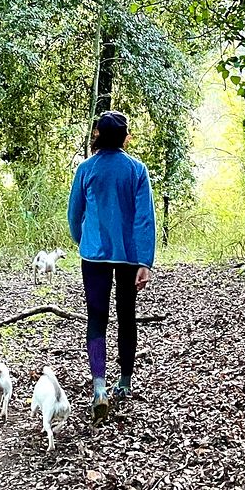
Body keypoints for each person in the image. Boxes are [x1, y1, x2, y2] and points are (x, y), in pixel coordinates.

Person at [66, 108, 156, 425]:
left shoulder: (87, 169)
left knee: (97, 319)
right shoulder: (136, 170)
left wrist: (82, 239)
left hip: (94, 256)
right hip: (129, 257)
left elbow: (74, 213)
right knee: (126, 316)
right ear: (125, 138)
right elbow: (145, 217)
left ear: (98, 136)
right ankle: (126, 382)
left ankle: (99, 387)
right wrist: (145, 261)